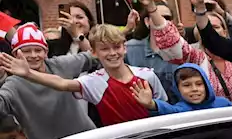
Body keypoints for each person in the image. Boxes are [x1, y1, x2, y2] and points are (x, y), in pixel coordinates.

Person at [1, 23, 168, 127]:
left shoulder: (148, 76)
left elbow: (167, 110)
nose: (112, 53)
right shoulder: (94, 81)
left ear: (125, 48)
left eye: (116, 47)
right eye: (104, 49)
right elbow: (63, 84)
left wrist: (153, 105)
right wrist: (27, 74)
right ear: (95, 53)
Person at [0, 23, 97, 139]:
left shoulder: (60, 64)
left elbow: (94, 57)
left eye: (38, 50)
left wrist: (80, 36)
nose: (33, 55)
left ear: (46, 52)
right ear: (15, 55)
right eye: (26, 51)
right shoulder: (13, 85)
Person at [133, 63, 232, 115]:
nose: (194, 89)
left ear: (206, 85)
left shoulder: (224, 104)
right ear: (177, 89)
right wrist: (151, 104)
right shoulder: (180, 110)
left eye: (199, 84)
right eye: (187, 85)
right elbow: (167, 109)